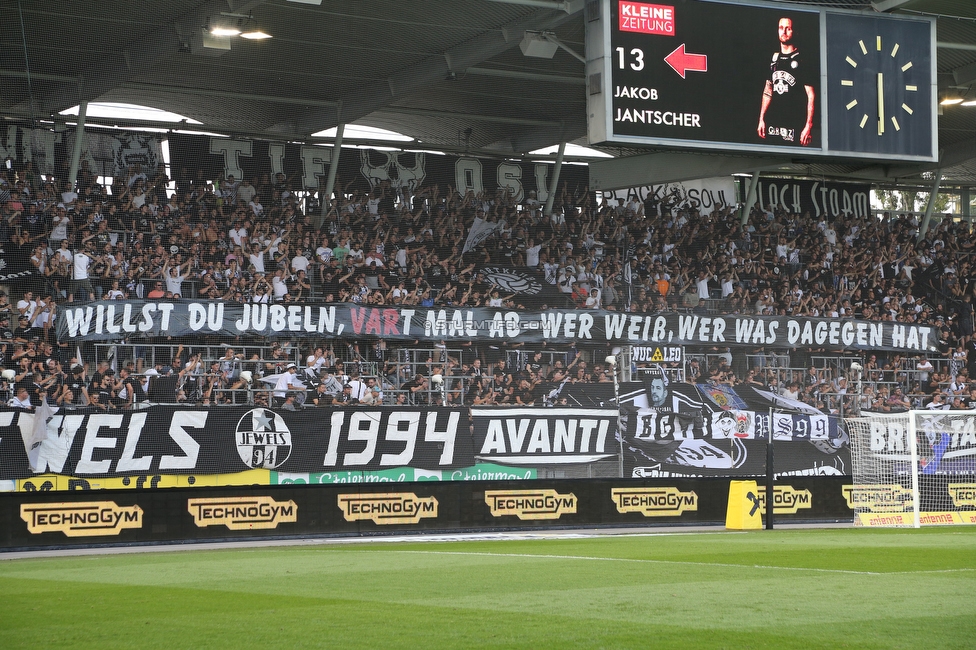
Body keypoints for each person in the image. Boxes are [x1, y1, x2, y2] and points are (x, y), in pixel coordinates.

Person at [757, 17, 815, 146]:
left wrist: (808, 126)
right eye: (781, 28)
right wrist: (762, 119)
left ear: (795, 31)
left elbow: (811, 96)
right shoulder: (774, 59)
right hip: (774, 124)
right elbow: (768, 91)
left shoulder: (802, 60)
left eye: (788, 28)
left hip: (795, 125)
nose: (784, 31)